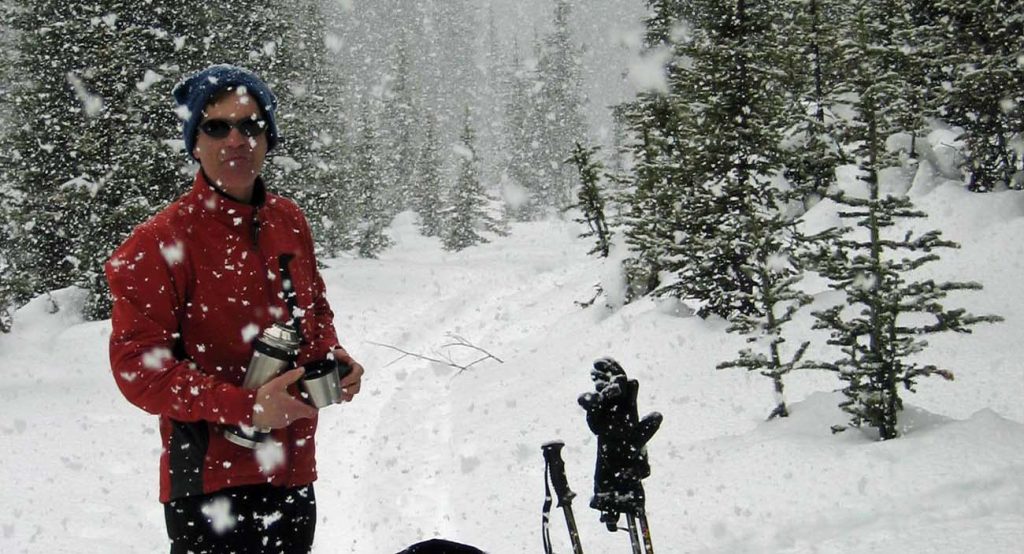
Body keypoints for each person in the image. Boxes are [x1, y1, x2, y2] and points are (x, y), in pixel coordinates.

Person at [105, 64, 364, 554]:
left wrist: (333, 358)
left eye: (250, 126)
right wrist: (247, 407)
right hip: (209, 486)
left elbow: (315, 312)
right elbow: (137, 368)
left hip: (292, 472)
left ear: (268, 138)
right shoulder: (158, 242)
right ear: (194, 143)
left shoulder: (288, 221)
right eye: (216, 127)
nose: (236, 140)